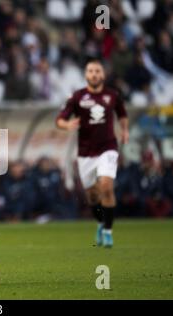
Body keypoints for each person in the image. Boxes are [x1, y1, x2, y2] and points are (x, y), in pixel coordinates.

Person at [56, 59, 129, 248]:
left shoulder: (113, 95)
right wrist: (67, 125)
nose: (94, 74)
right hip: (86, 152)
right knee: (92, 195)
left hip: (108, 147)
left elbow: (122, 114)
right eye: (91, 71)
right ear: (86, 75)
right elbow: (60, 119)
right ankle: (99, 223)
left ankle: (108, 231)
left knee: (106, 186)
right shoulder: (77, 97)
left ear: (103, 75)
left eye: (97, 71)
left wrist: (125, 130)